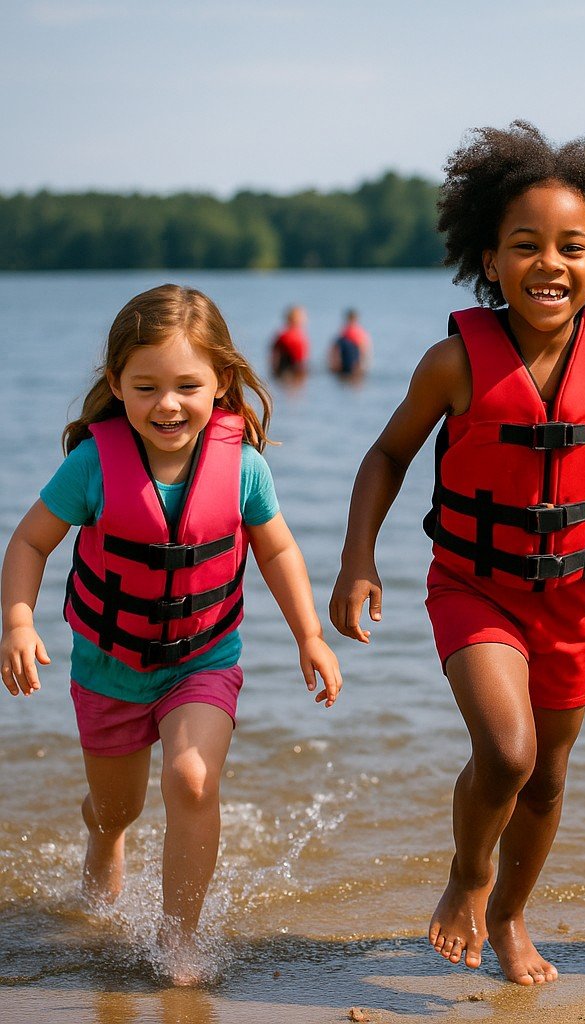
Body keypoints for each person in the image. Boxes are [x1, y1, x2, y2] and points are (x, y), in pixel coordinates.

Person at [329, 121, 585, 985]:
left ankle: (512, 918)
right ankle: (469, 879)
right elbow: (386, 456)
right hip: (472, 588)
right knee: (507, 753)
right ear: (489, 260)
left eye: (571, 248)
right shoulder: (453, 362)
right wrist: (356, 560)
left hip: (573, 601)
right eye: (526, 246)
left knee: (546, 780)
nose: (548, 263)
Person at [0, 284, 341, 985]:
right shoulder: (92, 465)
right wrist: (17, 621)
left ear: (221, 382)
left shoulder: (243, 465)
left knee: (191, 780)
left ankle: (178, 939)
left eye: (188, 385)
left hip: (203, 660)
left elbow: (277, 550)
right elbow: (30, 543)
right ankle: (103, 831)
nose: (168, 404)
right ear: (117, 386)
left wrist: (310, 633)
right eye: (146, 385)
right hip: (109, 668)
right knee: (118, 808)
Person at [270, 304, 310, 379]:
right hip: (293, 371)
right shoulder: (295, 337)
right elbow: (299, 360)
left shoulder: (281, 335)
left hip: (283, 370)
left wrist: (274, 370)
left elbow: (273, 353)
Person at [330, 308, 372, 378]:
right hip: (344, 365)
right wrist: (334, 364)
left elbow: (365, 350)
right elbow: (334, 350)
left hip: (355, 366)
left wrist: (363, 365)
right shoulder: (343, 334)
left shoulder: (359, 334)